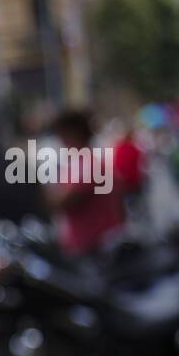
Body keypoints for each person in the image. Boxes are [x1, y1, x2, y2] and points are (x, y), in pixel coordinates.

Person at [49, 108, 125, 256]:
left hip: (94, 247)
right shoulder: (80, 163)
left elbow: (65, 201)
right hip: (89, 244)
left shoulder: (88, 165)